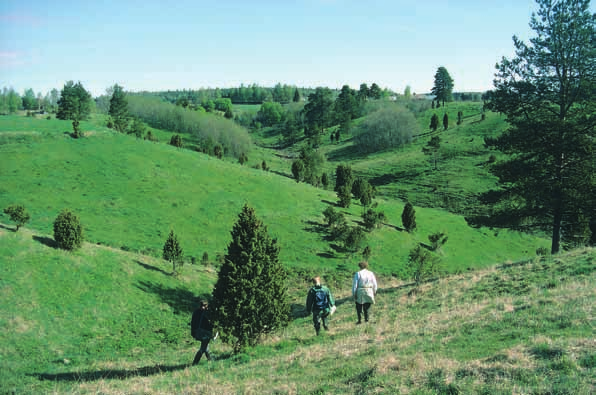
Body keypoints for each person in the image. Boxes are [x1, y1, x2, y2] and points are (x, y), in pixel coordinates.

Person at [190, 300, 214, 365]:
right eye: (203, 306)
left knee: (206, 347)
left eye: (204, 306)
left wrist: (193, 332)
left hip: (198, 332)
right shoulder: (206, 313)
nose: (203, 307)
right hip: (204, 333)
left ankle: (211, 360)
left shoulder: (196, 312)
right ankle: (195, 363)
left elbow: (192, 323)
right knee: (203, 348)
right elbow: (208, 324)